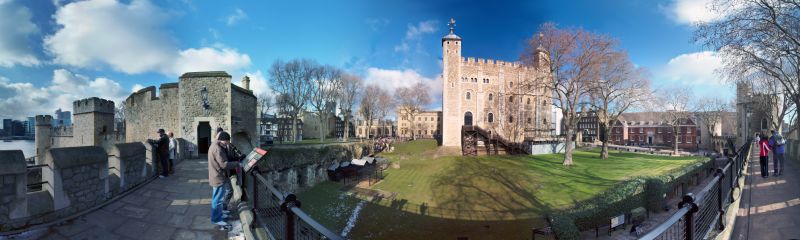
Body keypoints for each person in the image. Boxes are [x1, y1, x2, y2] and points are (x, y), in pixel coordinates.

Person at [208, 132, 255, 228]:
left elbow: (225, 159)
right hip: (218, 177)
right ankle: (216, 219)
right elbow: (224, 164)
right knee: (217, 200)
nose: (228, 143)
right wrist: (238, 164)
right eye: (227, 141)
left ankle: (219, 214)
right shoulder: (217, 149)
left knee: (218, 198)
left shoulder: (216, 145)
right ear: (223, 140)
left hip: (217, 176)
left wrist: (237, 159)